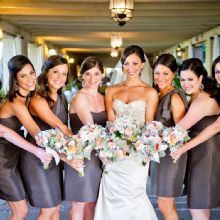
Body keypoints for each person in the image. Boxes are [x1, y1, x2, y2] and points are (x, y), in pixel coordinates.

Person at [94, 45, 159, 220]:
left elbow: (149, 126)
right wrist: (110, 149)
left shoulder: (150, 92)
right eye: (126, 63)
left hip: (137, 156)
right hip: (116, 154)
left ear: (143, 65)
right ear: (122, 65)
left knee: (134, 197)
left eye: (135, 63)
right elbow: (110, 123)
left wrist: (145, 150)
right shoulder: (111, 90)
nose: (130, 68)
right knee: (111, 197)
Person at [20, 55, 81, 220]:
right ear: (46, 73)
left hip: (54, 157)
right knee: (48, 210)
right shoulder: (38, 99)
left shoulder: (61, 96)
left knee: (55, 207)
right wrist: (81, 146)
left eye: (64, 74)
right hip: (38, 158)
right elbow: (60, 127)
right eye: (55, 72)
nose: (60, 78)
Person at [0, 55, 51, 220]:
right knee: (20, 211)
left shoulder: (25, 99)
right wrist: (67, 154)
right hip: (3, 162)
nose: (30, 79)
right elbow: (38, 135)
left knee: (20, 209)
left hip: (12, 160)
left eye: (31, 73)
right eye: (23, 76)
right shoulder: (16, 103)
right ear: (15, 79)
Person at [170, 58, 220, 220]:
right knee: (200, 207)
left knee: (197, 207)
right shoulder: (199, 97)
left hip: (206, 158)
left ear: (200, 78)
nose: (186, 84)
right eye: (182, 79)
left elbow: (178, 130)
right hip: (201, 155)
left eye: (190, 79)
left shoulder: (203, 100)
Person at [64, 57, 106, 220]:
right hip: (82, 155)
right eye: (88, 74)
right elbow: (91, 128)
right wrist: (105, 151)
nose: (92, 79)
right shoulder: (80, 97)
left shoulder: (103, 97)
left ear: (102, 75)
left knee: (92, 202)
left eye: (96, 74)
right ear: (82, 76)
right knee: (79, 202)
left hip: (99, 157)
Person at [152, 54, 188, 220]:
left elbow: (182, 132)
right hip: (160, 154)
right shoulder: (156, 95)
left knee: (164, 204)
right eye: (157, 73)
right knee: (168, 204)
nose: (160, 77)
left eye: (166, 73)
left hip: (173, 155)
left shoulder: (174, 97)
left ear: (174, 74)